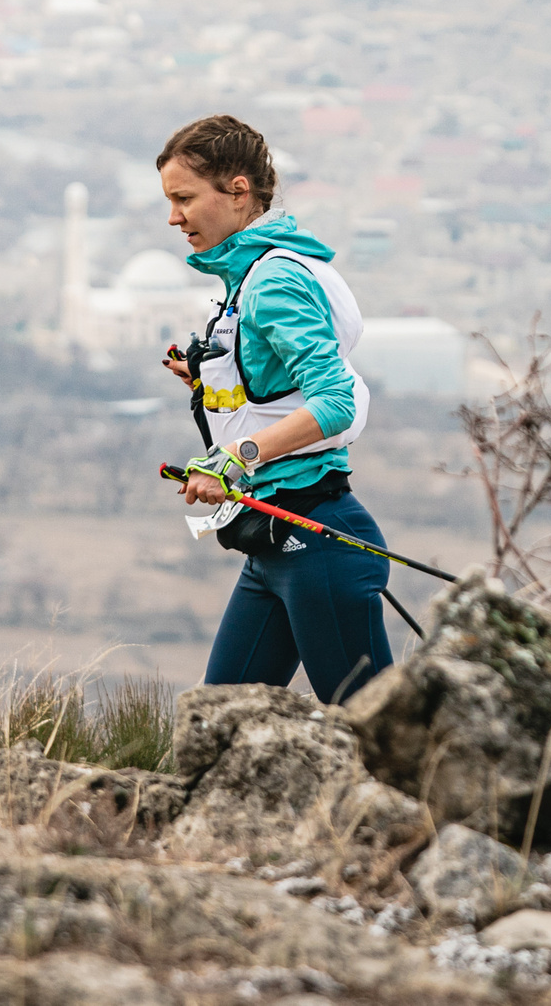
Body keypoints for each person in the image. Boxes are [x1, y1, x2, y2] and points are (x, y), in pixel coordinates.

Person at [158, 114, 393, 703]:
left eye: (185, 198)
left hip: (318, 540)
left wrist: (232, 460)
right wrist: (207, 375)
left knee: (381, 746)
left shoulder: (273, 281)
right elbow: (274, 384)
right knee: (216, 733)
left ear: (238, 190)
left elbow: (335, 401)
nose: (173, 218)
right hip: (270, 541)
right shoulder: (251, 276)